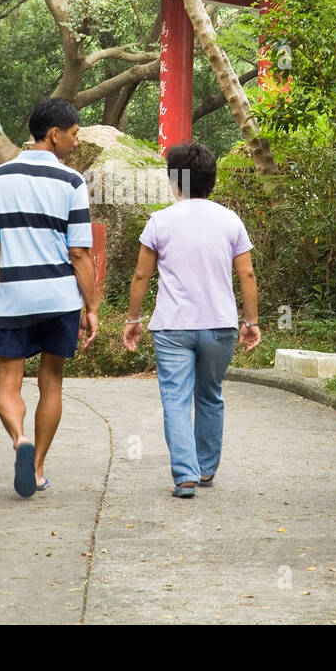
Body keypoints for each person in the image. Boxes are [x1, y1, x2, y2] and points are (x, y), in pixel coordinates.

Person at [0, 98, 99, 498]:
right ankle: (39, 466)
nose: (76, 143)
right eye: (75, 134)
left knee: (8, 384)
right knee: (52, 384)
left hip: (13, 298)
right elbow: (79, 252)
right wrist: (91, 306)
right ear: (54, 134)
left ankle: (19, 440)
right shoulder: (72, 182)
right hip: (59, 298)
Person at [122, 141, 261, 498]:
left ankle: (185, 475)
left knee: (175, 399)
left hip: (172, 327)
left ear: (175, 180)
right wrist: (251, 321)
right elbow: (246, 275)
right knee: (210, 395)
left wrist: (132, 318)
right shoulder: (231, 221)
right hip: (220, 325)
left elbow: (141, 276)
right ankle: (205, 469)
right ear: (211, 180)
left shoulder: (160, 221)